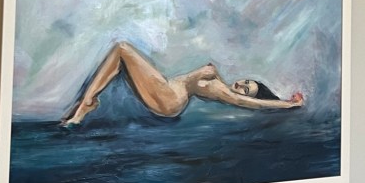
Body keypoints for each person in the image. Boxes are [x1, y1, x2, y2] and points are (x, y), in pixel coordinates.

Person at [61, 42, 304, 126]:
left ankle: (86, 103)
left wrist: (287, 105)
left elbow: (253, 104)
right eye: (246, 82)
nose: (241, 85)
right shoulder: (220, 82)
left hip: (170, 98)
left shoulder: (224, 92)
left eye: (246, 89)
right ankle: (86, 103)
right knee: (120, 53)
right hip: (167, 89)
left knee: (122, 49)